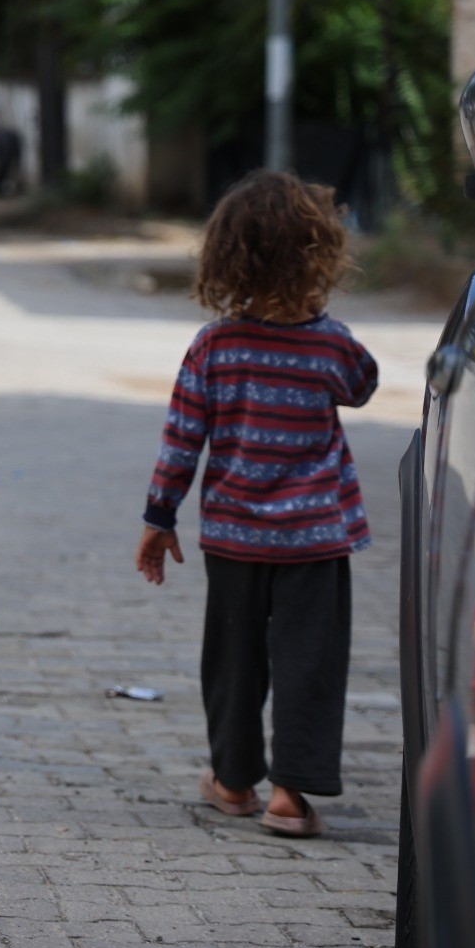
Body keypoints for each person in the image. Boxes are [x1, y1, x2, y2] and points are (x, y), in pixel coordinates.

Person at [136, 170, 378, 840]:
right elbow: (364, 385)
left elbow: (181, 440)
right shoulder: (330, 344)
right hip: (315, 540)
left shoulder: (214, 346)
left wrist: (160, 520)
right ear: (320, 256)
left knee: (234, 659)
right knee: (310, 665)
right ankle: (290, 797)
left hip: (236, 539)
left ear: (225, 258)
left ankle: (235, 781)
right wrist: (319, 326)